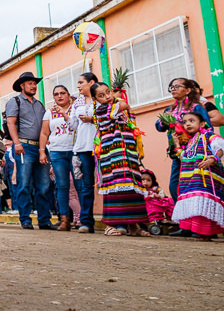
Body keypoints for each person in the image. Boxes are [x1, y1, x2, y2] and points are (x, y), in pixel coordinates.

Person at [91, 82, 149, 237]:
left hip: (128, 153)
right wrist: (118, 97)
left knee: (131, 186)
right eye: (101, 95)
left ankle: (133, 225)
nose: (107, 97)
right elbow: (124, 105)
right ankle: (109, 225)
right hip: (112, 155)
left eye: (108, 92)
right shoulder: (102, 110)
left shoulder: (115, 107)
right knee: (116, 186)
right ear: (95, 99)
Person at [5, 72, 52, 230]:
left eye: (34, 83)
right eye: (30, 83)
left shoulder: (39, 104)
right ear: (22, 86)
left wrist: (44, 147)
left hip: (40, 148)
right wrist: (16, 143)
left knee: (44, 184)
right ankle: (25, 219)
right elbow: (11, 124)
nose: (33, 86)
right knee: (24, 184)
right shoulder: (15, 102)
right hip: (23, 147)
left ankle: (44, 220)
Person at [155, 78, 212, 204]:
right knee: (174, 186)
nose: (173, 89)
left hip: (195, 152)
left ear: (187, 90)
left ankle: (197, 215)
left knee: (196, 183)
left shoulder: (196, 107)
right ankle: (183, 216)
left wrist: (182, 125)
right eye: (171, 87)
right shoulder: (169, 110)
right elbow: (159, 127)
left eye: (177, 86)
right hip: (177, 153)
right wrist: (165, 120)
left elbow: (208, 127)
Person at [172, 112, 224, 241]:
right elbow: (183, 158)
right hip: (192, 180)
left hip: (205, 178)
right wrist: (177, 144)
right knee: (197, 204)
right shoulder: (190, 141)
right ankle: (202, 233)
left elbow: (220, 148)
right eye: (184, 122)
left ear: (202, 123)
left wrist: (212, 159)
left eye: (191, 120)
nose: (187, 124)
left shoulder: (208, 135)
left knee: (204, 202)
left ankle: (206, 233)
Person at [39, 85, 75, 231]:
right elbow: (44, 133)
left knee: (81, 186)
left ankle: (84, 220)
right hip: (57, 152)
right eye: (56, 94)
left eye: (62, 93)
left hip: (75, 151)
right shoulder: (50, 112)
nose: (59, 96)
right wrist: (42, 151)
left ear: (68, 95)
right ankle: (64, 220)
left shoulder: (76, 109)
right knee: (62, 186)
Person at [69, 72, 100, 233]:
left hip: (102, 145)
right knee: (86, 185)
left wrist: (92, 119)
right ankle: (86, 221)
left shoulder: (102, 98)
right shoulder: (77, 103)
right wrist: (65, 115)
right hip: (83, 147)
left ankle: (114, 221)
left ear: (91, 82)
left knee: (108, 182)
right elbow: (74, 125)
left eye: (81, 82)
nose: (78, 86)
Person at [141, 169, 174, 234]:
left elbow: (162, 195)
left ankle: (169, 219)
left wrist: (159, 196)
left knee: (170, 201)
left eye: (148, 180)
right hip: (148, 206)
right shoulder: (140, 189)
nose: (145, 182)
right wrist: (151, 196)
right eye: (143, 180)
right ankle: (154, 219)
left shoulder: (155, 188)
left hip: (158, 204)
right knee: (149, 202)